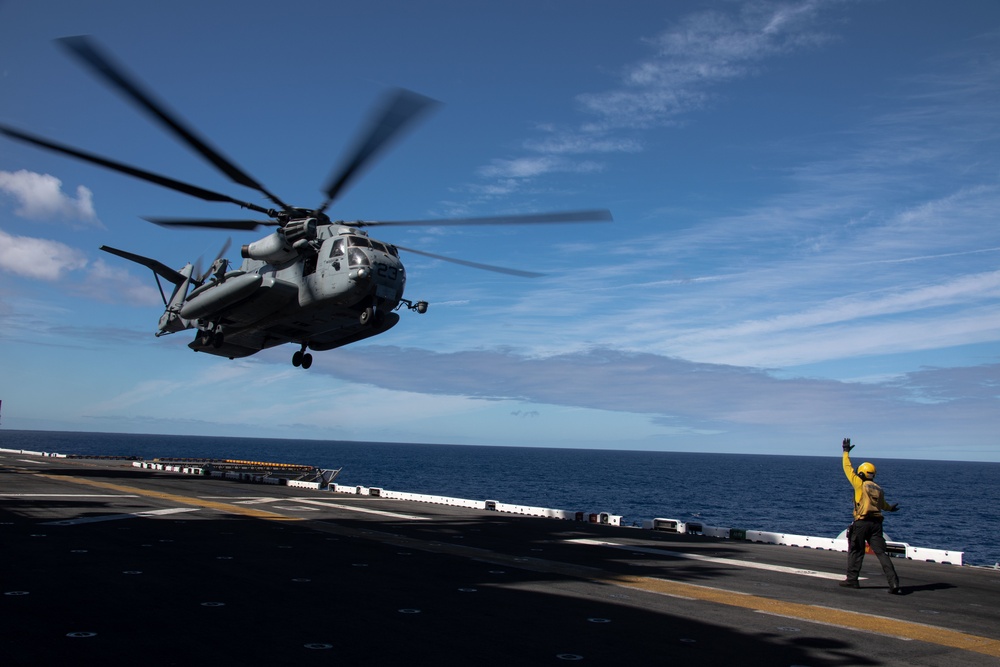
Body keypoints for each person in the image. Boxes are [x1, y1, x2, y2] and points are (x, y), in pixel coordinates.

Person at [840, 438, 903, 594]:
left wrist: (845, 452)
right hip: (876, 525)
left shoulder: (859, 484)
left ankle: (852, 580)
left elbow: (848, 469)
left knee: (856, 551)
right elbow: (883, 505)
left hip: (862, 523)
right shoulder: (878, 489)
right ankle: (894, 582)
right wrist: (890, 508)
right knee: (881, 553)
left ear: (862, 473)